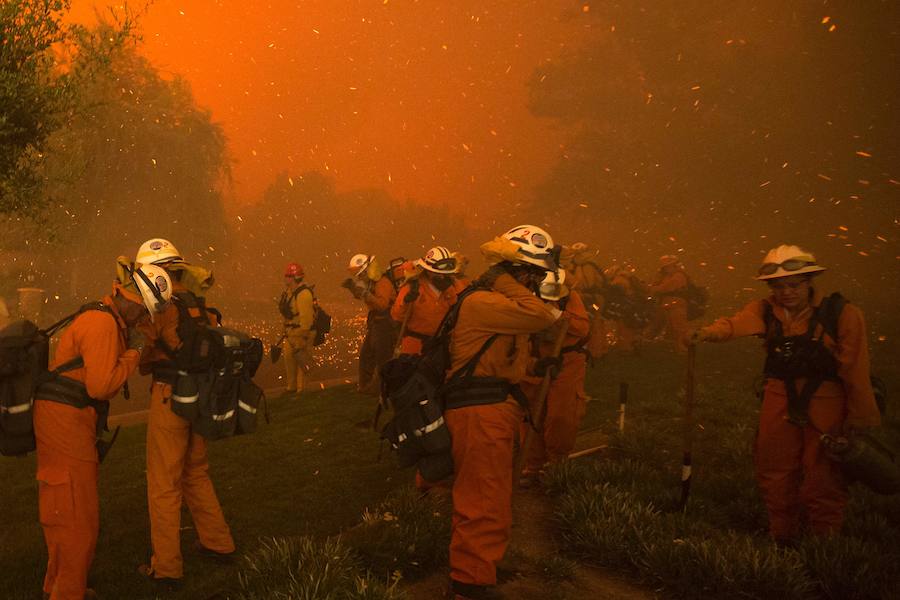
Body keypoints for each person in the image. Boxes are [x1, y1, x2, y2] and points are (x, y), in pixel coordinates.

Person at [688, 245, 881, 545]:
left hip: (828, 400)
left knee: (824, 473)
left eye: (794, 285)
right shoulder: (765, 310)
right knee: (774, 467)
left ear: (809, 282)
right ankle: (783, 535)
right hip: (779, 396)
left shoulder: (842, 314)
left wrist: (861, 417)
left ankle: (824, 541)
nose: (786, 292)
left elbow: (855, 368)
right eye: (778, 286)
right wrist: (709, 332)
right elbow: (738, 323)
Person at [33, 264, 171, 600]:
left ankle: (60, 585)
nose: (142, 319)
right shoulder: (103, 324)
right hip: (66, 423)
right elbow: (101, 386)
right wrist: (135, 351)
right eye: (144, 310)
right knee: (78, 519)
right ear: (133, 298)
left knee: (62, 510)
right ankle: (67, 594)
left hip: (63, 419)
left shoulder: (104, 315)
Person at [444, 225, 560, 600]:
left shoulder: (497, 303)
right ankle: (469, 584)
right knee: (482, 500)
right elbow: (542, 316)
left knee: (494, 495)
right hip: (481, 413)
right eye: (533, 274)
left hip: (495, 408)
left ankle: (484, 567)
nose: (537, 281)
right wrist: (506, 278)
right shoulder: (485, 303)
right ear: (516, 271)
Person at [134, 238, 236, 588]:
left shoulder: (161, 308)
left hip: (168, 398)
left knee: (164, 483)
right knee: (196, 472)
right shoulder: (199, 305)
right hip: (199, 398)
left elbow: (145, 358)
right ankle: (218, 543)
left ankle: (166, 567)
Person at [519, 269, 590, 483]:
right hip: (534, 359)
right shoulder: (521, 285)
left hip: (567, 361)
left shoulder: (567, 290)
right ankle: (532, 467)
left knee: (561, 413)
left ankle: (557, 466)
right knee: (530, 413)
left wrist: (557, 314)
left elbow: (581, 327)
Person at [391, 246, 468, 356]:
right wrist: (406, 302)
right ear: (428, 270)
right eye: (437, 272)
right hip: (415, 348)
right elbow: (397, 316)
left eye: (445, 273)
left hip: (442, 347)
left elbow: (461, 312)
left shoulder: (455, 287)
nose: (442, 276)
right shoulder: (413, 287)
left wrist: (449, 292)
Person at [342, 254, 396, 394]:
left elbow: (382, 305)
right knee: (367, 356)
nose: (359, 278)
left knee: (382, 358)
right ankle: (365, 387)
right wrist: (354, 290)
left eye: (360, 275)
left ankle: (382, 388)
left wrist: (366, 294)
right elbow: (366, 296)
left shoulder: (383, 283)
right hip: (377, 323)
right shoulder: (373, 283)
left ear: (367, 271)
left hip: (386, 324)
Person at [562, 242, 608, 360]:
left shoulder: (585, 265)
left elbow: (586, 284)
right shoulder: (590, 263)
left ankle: (595, 352)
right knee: (596, 322)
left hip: (593, 298)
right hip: (596, 298)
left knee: (593, 323)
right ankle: (599, 350)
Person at [278, 262, 315, 395]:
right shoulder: (289, 293)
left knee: (302, 362)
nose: (285, 278)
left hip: (301, 332)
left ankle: (302, 391)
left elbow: (307, 318)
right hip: (291, 333)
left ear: (294, 278)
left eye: (288, 276)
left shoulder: (303, 294)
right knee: (290, 361)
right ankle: (291, 388)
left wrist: (304, 337)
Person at [646, 254, 690, 353]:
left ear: (674, 265)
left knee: (679, 327)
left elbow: (665, 287)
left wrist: (652, 289)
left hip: (676, 305)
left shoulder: (679, 276)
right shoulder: (668, 276)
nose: (665, 269)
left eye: (667, 267)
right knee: (662, 325)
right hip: (667, 305)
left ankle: (683, 348)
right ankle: (669, 348)